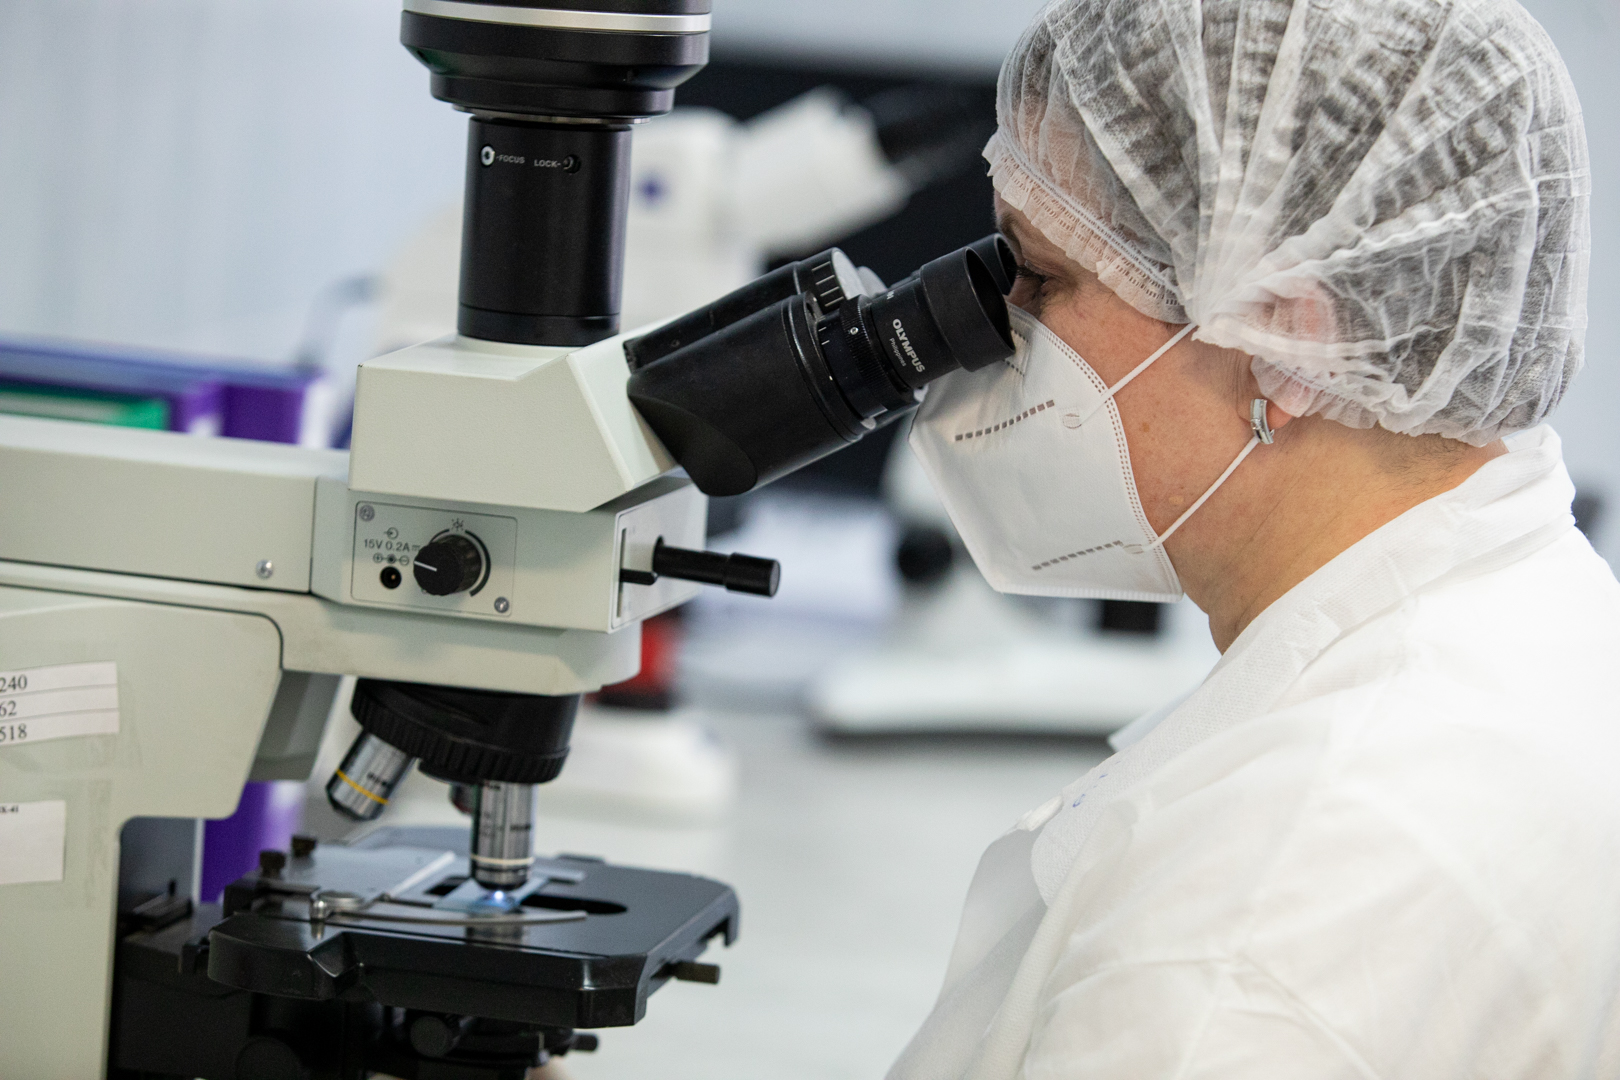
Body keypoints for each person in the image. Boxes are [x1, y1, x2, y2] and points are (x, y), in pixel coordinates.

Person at [897, 0, 1619, 1076]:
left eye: (1043, 275)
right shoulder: (1538, 622)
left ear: (1284, 334)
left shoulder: (1242, 937)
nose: (995, 326)